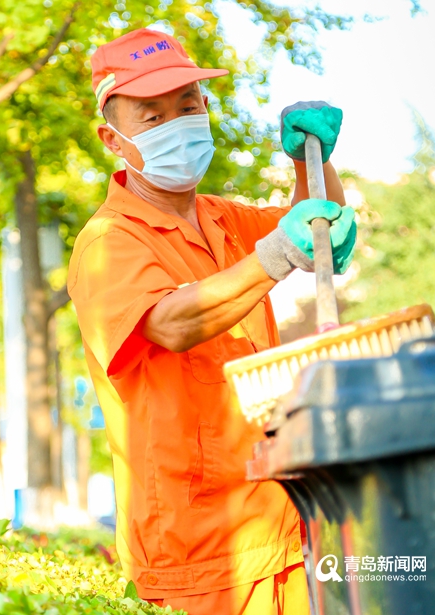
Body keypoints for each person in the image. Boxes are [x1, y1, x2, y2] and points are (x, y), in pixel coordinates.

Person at [67, 28, 355, 615]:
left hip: (282, 525)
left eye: (189, 106)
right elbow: (171, 323)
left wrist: (313, 162)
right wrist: (277, 253)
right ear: (112, 139)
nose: (178, 123)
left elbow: (316, 228)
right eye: (152, 116)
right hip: (196, 554)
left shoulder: (224, 219)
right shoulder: (106, 244)